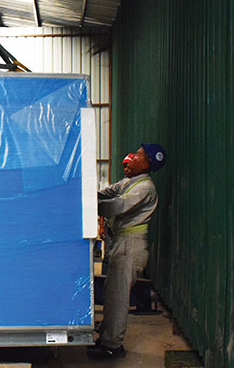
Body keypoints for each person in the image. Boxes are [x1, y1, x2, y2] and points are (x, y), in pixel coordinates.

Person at [88, 143, 166, 359]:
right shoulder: (129, 182)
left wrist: (87, 204)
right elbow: (108, 193)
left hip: (131, 244)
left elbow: (117, 206)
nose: (133, 157)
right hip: (120, 242)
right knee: (112, 294)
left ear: (147, 163)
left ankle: (113, 345)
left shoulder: (145, 188)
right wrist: (88, 193)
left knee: (119, 297)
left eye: (139, 155)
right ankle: (106, 339)